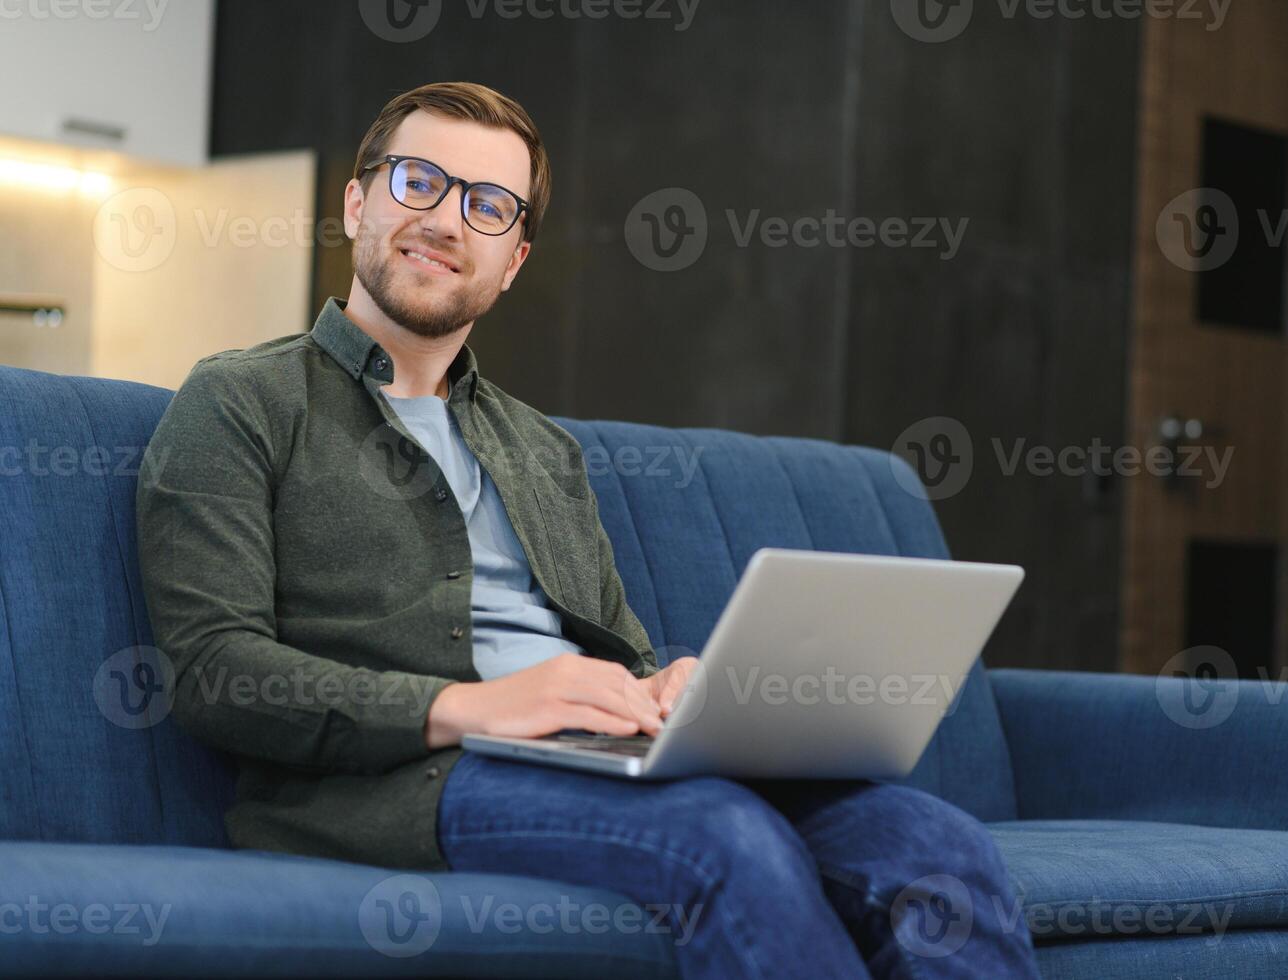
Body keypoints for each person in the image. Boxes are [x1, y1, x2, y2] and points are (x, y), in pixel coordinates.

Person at [136, 80, 1038, 978]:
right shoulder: (241, 401)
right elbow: (215, 673)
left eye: (487, 206)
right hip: (400, 787)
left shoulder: (543, 449)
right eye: (419, 182)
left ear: (515, 257)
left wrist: (670, 693)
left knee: (931, 842)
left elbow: (618, 651)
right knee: (720, 838)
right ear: (358, 201)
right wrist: (470, 708)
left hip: (597, 761)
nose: (447, 221)